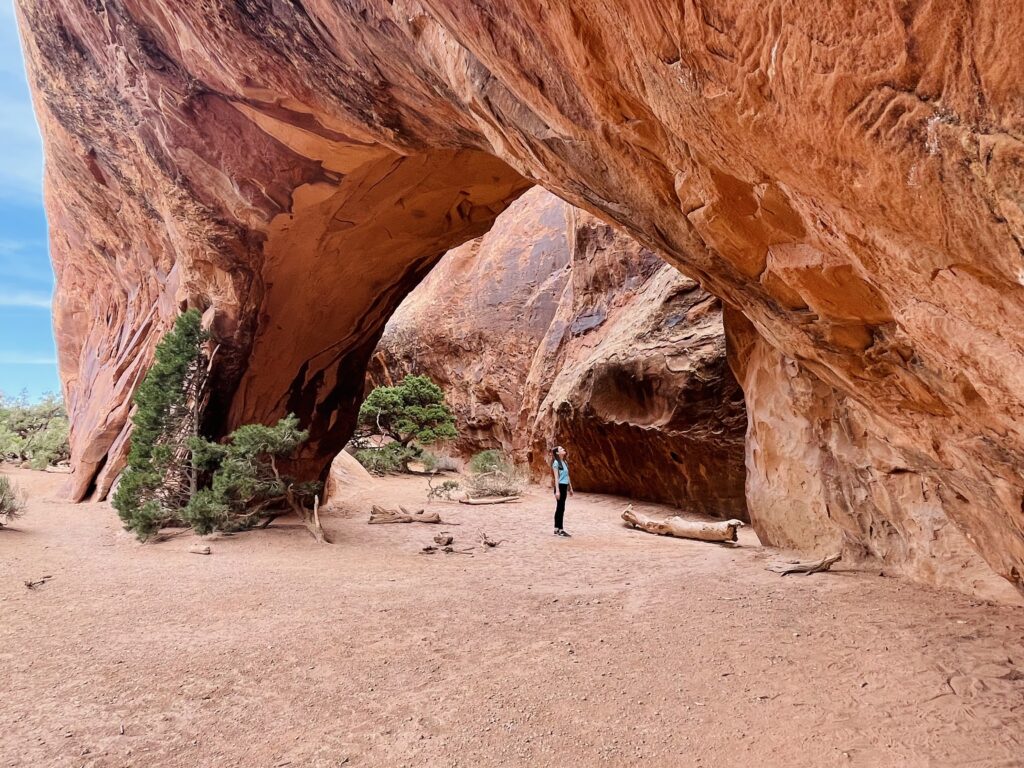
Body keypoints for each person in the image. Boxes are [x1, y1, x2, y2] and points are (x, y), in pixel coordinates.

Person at [551, 445, 574, 537]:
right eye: (561, 449)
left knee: (560, 507)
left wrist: (570, 488)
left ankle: (557, 528)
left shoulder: (564, 462)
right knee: (560, 508)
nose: (564, 449)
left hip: (564, 487)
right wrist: (557, 491)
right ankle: (560, 529)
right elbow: (556, 478)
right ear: (557, 453)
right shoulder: (556, 463)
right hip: (560, 487)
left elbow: (567, 476)